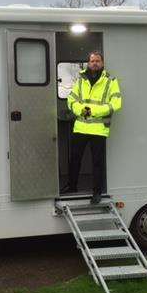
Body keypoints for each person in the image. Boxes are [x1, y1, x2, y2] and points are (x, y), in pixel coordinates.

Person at [61, 51, 122, 204]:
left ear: (102, 63)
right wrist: (81, 110)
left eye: (98, 60)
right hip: (80, 127)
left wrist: (90, 111)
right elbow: (71, 100)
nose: (95, 63)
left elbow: (116, 104)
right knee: (74, 159)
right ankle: (72, 186)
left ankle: (97, 192)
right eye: (92, 61)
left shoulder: (111, 81)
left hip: (98, 129)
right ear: (88, 63)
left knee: (97, 163)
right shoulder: (80, 79)